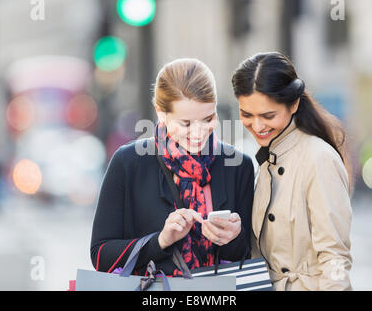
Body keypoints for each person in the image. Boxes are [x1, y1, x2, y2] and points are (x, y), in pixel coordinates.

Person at [91, 58, 254, 276]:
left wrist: (234, 237)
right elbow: (100, 255)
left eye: (208, 119)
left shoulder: (238, 166)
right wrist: (161, 240)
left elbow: (243, 256)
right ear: (160, 112)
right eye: (185, 123)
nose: (198, 133)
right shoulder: (128, 163)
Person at [231, 52, 353, 290]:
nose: (257, 126)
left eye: (268, 116)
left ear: (294, 104)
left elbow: (335, 257)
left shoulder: (318, 159)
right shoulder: (267, 160)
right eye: (247, 114)